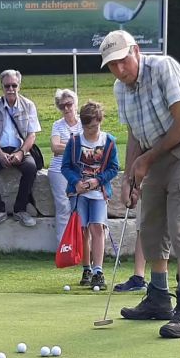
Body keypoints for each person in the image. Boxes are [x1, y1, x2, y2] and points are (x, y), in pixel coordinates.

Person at [100, 29, 180, 338]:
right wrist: (130, 174)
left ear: (135, 50)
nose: (119, 69)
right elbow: (134, 133)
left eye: (122, 61)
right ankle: (158, 297)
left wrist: (145, 160)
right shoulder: (120, 89)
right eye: (112, 65)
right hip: (153, 156)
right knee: (150, 226)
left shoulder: (164, 68)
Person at [114, 118, 180, 292]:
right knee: (149, 226)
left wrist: (171, 153)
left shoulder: (171, 108)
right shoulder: (139, 109)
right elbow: (134, 135)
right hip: (151, 171)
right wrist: (128, 177)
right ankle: (152, 288)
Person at [61, 101, 119, 289]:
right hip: (79, 194)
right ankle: (86, 268)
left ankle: (98, 270)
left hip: (99, 193)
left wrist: (98, 180)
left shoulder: (108, 141)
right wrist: (76, 182)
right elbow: (66, 167)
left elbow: (113, 168)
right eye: (88, 127)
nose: (92, 130)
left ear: (100, 122)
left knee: (97, 228)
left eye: (95, 126)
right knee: (83, 229)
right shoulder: (75, 141)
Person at [0, 69, 41, 228]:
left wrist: (21, 153)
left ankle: (20, 209)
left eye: (14, 85)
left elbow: (32, 135)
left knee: (30, 168)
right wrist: (0, 154)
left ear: (19, 86)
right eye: (7, 86)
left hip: (20, 148)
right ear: (2, 86)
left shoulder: (28, 105)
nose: (10, 89)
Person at [48, 89, 82, 246]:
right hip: (59, 169)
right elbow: (55, 147)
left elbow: (91, 144)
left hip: (81, 170)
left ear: (75, 104)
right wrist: (76, 145)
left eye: (69, 104)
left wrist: (66, 146)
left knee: (80, 207)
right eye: (62, 106)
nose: (67, 109)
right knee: (63, 206)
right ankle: (63, 246)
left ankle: (80, 246)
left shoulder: (84, 123)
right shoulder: (57, 125)